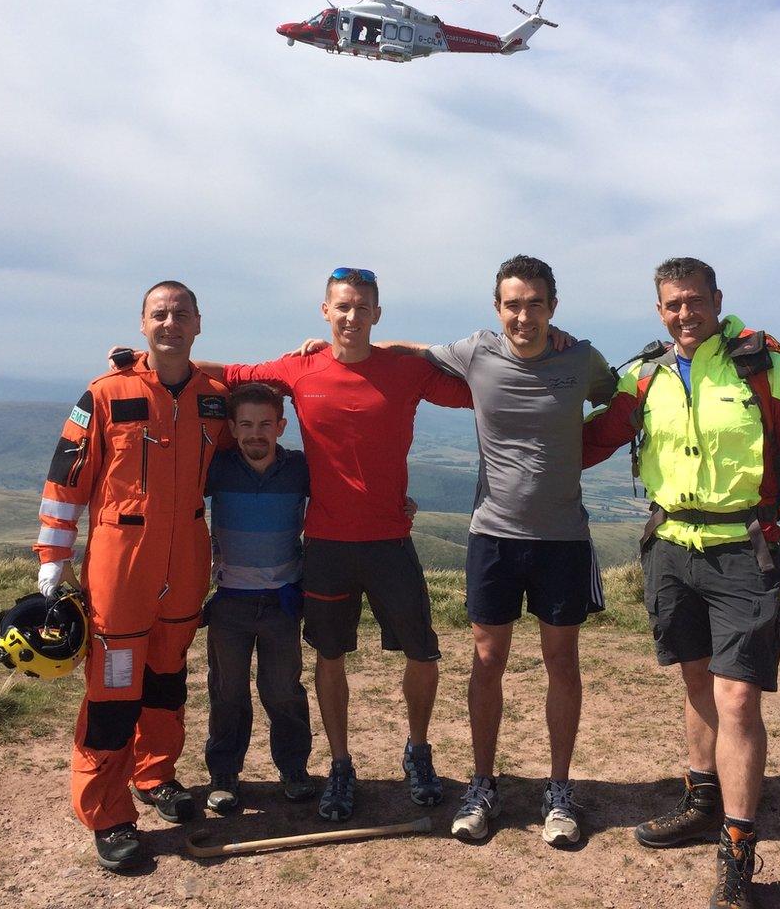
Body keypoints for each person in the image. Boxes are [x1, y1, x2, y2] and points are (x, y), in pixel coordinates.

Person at [582, 257, 780, 909]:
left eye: (694, 301)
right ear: (659, 309)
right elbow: (588, 441)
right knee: (696, 681)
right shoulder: (645, 376)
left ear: (716, 301)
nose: (684, 313)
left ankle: (738, 849)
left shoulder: (763, 368)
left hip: (745, 551)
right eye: (671, 304)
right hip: (669, 549)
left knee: (738, 700)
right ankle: (700, 802)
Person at [196, 268, 473, 822]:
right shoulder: (299, 369)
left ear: (377, 313)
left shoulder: (404, 369)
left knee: (423, 651)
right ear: (325, 311)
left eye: (362, 307)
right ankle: (340, 765)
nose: (351, 316)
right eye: (342, 307)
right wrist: (140, 364)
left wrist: (545, 354)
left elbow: (480, 389)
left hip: (390, 540)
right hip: (324, 545)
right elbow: (226, 373)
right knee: (329, 655)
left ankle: (418, 752)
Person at [371, 255, 616, 846]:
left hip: (562, 538)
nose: (523, 315)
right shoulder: (477, 350)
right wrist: (327, 348)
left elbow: (620, 395)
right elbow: (411, 350)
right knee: (486, 660)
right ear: (497, 307)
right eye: (513, 303)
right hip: (494, 535)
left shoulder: (581, 359)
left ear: (552, 307)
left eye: (535, 303)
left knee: (562, 661)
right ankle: (483, 783)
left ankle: (559, 789)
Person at [34, 281, 231, 871]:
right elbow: (67, 477)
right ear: (143, 324)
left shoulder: (215, 399)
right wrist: (52, 558)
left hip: (187, 558)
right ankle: (108, 812)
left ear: (199, 323)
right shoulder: (105, 393)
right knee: (115, 688)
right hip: (122, 561)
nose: (170, 323)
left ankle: (155, 776)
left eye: (180, 315)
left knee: (167, 678)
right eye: (159, 315)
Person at [201, 382, 313, 813]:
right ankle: (224, 773)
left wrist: (400, 502)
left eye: (266, 424)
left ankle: (293, 767)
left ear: (281, 426)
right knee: (227, 690)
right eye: (245, 424)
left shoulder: (301, 468)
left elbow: (344, 499)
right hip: (229, 601)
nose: (255, 433)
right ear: (231, 427)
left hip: (283, 601)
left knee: (283, 688)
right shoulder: (217, 467)